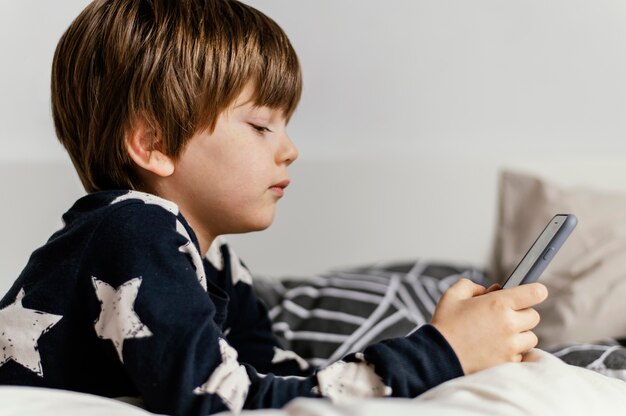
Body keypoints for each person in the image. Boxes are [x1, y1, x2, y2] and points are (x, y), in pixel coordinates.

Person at [0, 0, 548, 415]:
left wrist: (452, 355)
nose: (290, 149)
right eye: (261, 126)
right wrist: (437, 354)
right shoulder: (134, 225)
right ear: (154, 145)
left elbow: (285, 388)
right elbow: (224, 405)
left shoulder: (219, 269)